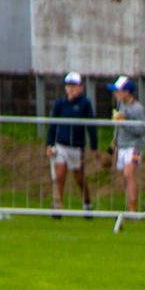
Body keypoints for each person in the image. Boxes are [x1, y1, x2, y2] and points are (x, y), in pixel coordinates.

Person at [47, 71, 98, 218]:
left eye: (74, 86)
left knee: (79, 178)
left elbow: (91, 127)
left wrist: (94, 147)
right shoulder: (60, 104)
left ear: (81, 87)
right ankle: (57, 206)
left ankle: (87, 203)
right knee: (60, 173)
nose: (71, 89)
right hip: (62, 144)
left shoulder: (84, 104)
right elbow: (53, 125)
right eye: (69, 86)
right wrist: (49, 144)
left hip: (77, 146)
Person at [107, 76, 145, 213]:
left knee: (129, 174)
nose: (115, 94)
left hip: (135, 146)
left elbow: (142, 130)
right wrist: (115, 140)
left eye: (118, 91)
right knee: (125, 176)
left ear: (127, 92)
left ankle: (133, 208)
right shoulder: (121, 105)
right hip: (123, 145)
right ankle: (129, 203)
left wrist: (126, 122)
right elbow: (118, 127)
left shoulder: (137, 109)